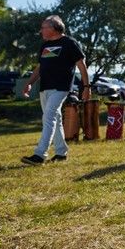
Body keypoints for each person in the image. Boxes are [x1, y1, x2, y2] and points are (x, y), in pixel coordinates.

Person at [21, 15, 90, 165]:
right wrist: (30, 83)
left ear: (53, 28)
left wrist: (86, 87)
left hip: (61, 88)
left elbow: (81, 65)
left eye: (44, 27)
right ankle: (61, 152)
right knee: (56, 119)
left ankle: (39, 155)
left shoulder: (69, 43)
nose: (41, 31)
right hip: (44, 87)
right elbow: (40, 67)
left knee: (48, 117)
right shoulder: (44, 46)